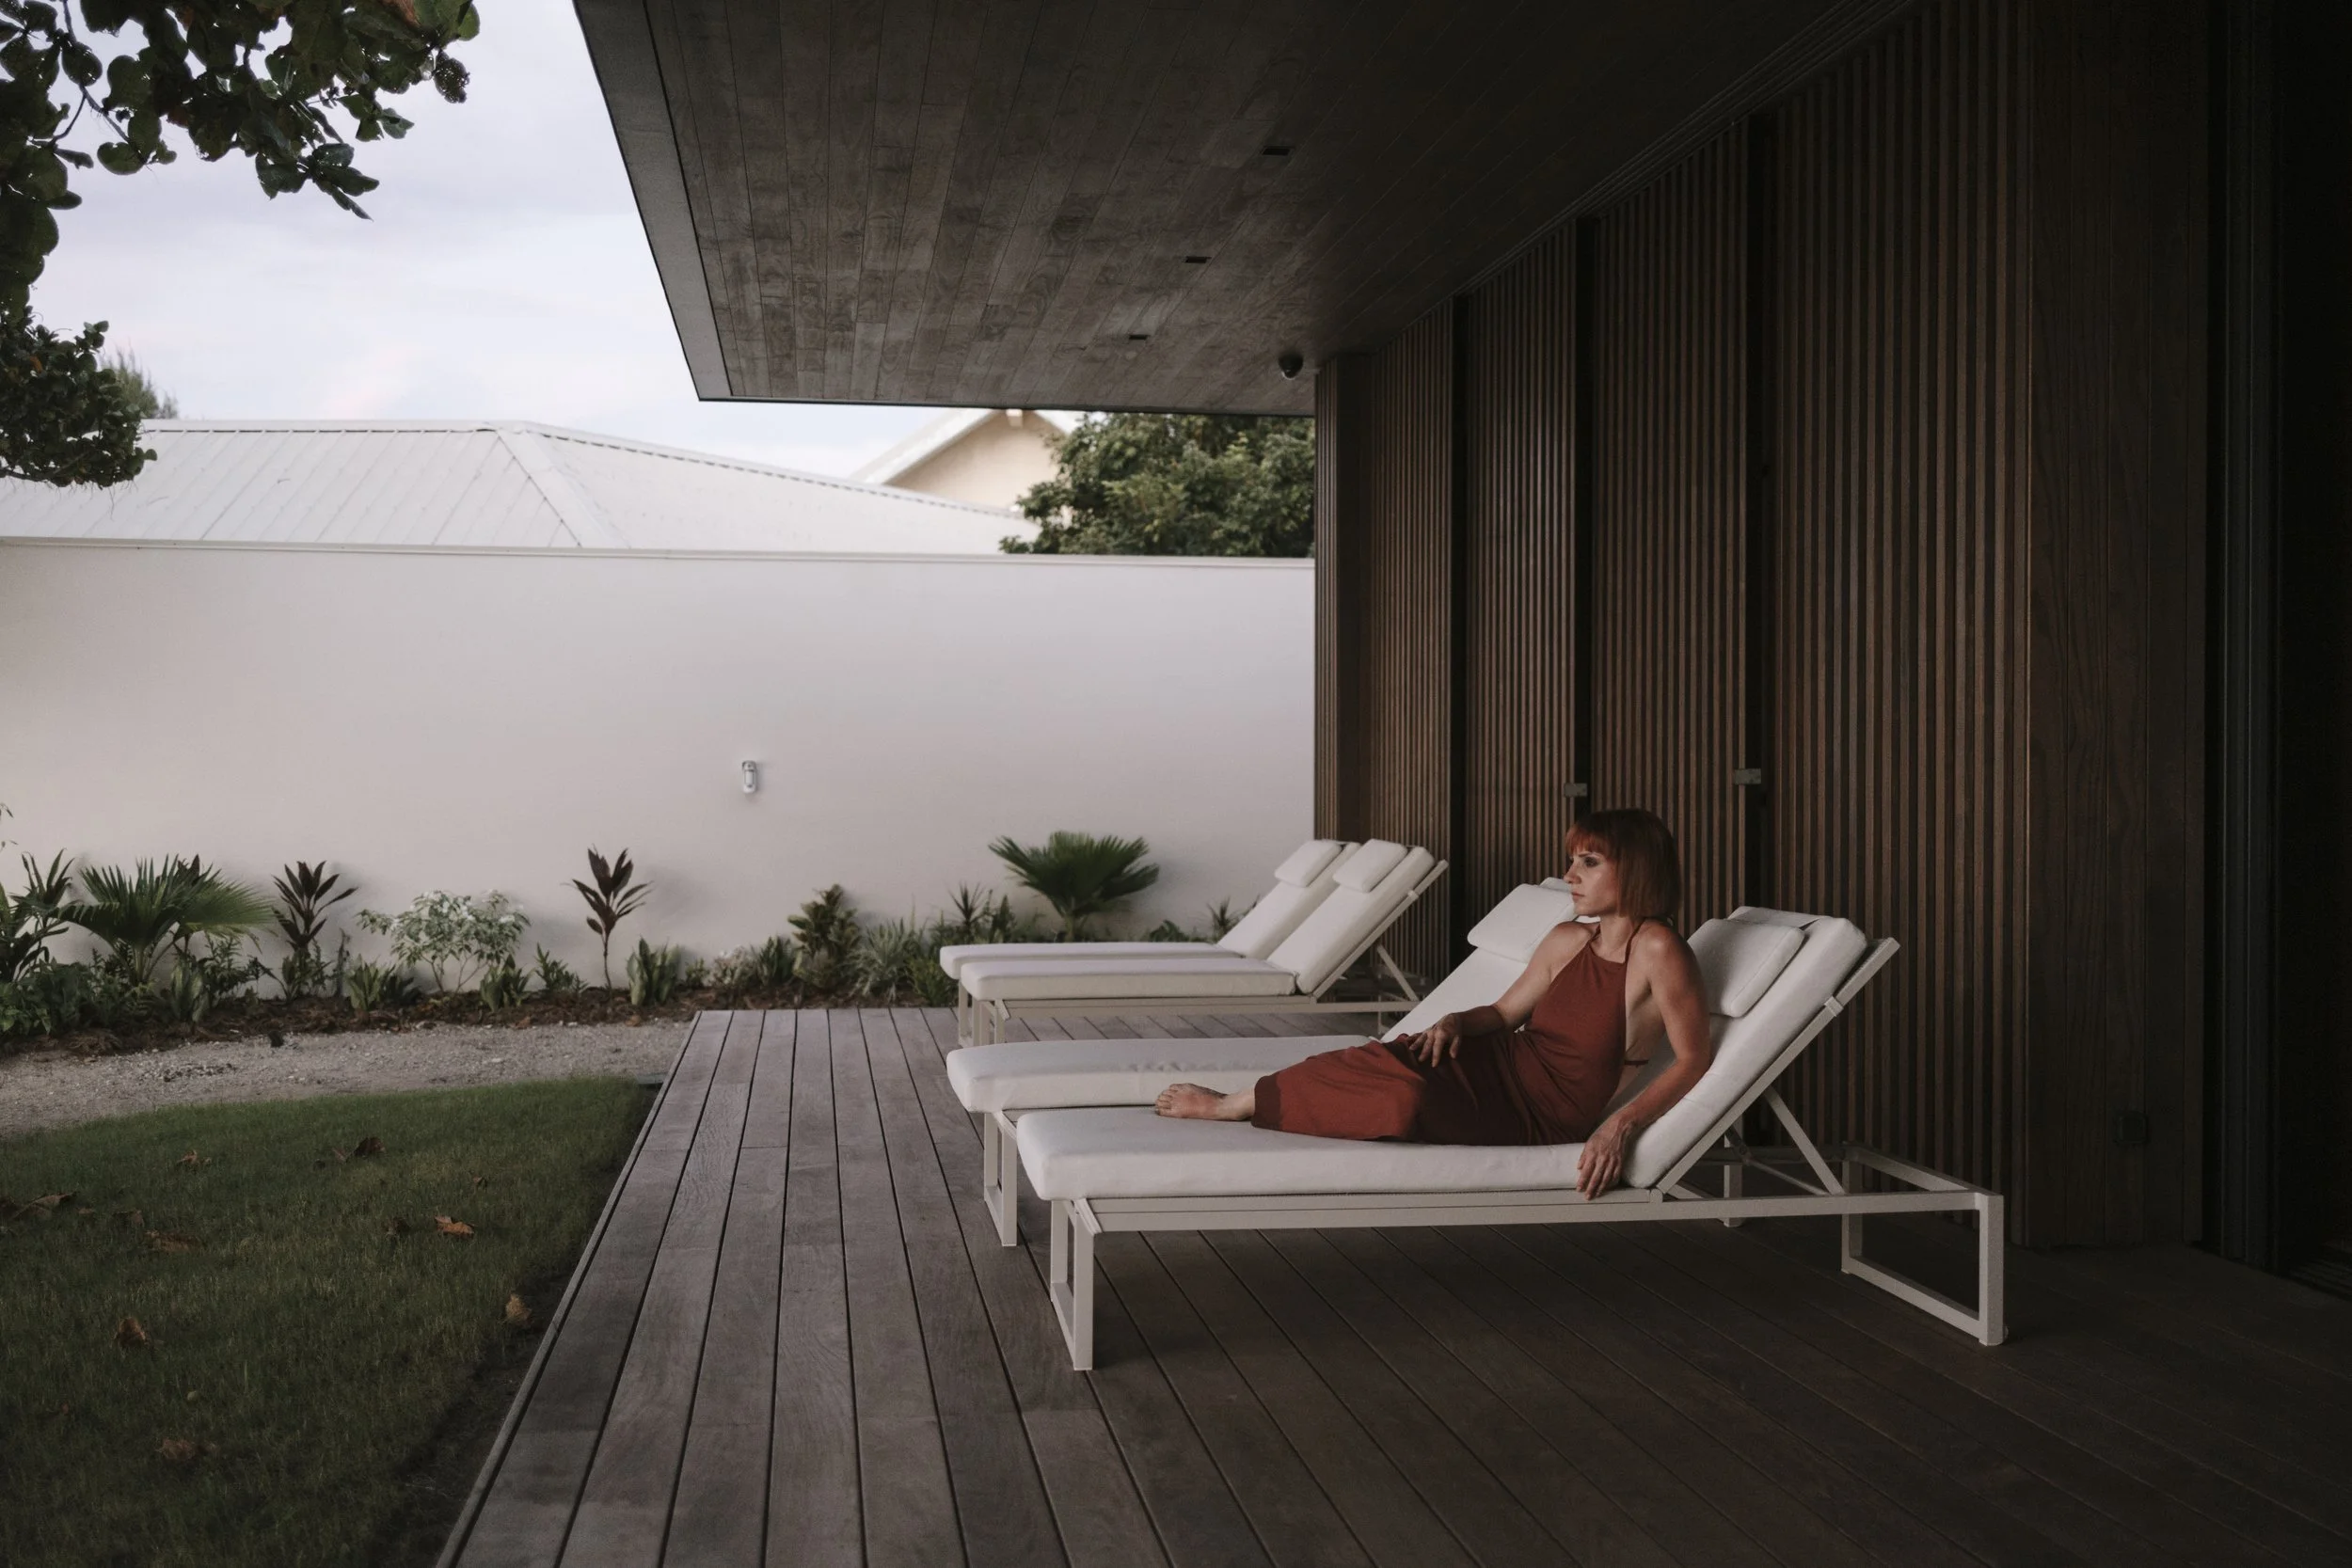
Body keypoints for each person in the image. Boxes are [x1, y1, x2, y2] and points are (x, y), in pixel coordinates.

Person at [1154, 808, 1712, 1197]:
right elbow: (1503, 1015)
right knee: (1383, 1060)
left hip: (1540, 1112)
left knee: (1404, 1100)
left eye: (1589, 862)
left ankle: (1238, 1105)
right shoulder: (1569, 938)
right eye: (1573, 861)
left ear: (1635, 869)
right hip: (1495, 1061)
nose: (1570, 875)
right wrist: (1454, 1021)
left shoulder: (1658, 950)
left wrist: (1619, 1126)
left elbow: (1693, 1059)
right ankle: (1239, 1101)